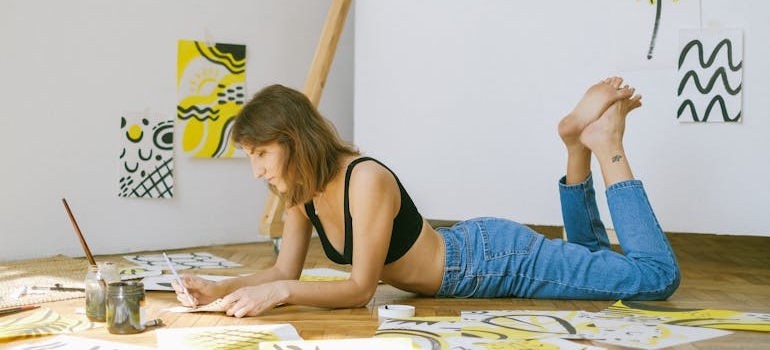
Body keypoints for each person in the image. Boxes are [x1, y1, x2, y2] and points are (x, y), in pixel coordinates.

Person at [172, 77, 681, 318]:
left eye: (261, 154)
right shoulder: (301, 194)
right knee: (595, 263)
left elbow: (358, 290)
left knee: (654, 280)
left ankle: (607, 145)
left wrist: (279, 295)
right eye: (251, 158)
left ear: (294, 140)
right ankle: (575, 145)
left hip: (494, 262)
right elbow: (284, 272)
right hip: (472, 256)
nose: (257, 170)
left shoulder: (364, 180)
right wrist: (220, 288)